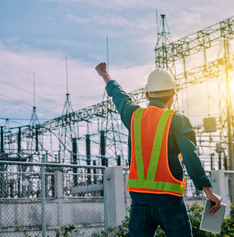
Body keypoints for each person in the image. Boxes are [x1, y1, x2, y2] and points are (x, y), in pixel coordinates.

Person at [95, 62, 222, 237]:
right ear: (173, 95)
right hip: (169, 202)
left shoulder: (134, 116)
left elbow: (119, 96)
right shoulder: (177, 120)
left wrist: (105, 75)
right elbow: (190, 156)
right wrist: (208, 191)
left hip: (139, 202)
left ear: (147, 94)